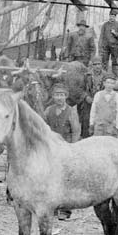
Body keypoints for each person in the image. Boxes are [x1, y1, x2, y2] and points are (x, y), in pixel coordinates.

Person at [44, 84, 80, 220]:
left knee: (66, 180)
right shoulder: (48, 110)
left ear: (66, 96)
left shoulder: (71, 111)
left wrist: (72, 148)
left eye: (62, 95)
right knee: (50, 178)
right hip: (51, 149)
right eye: (56, 95)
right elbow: (43, 127)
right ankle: (52, 207)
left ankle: (65, 210)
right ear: (53, 97)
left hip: (65, 148)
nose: (59, 98)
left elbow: (76, 131)